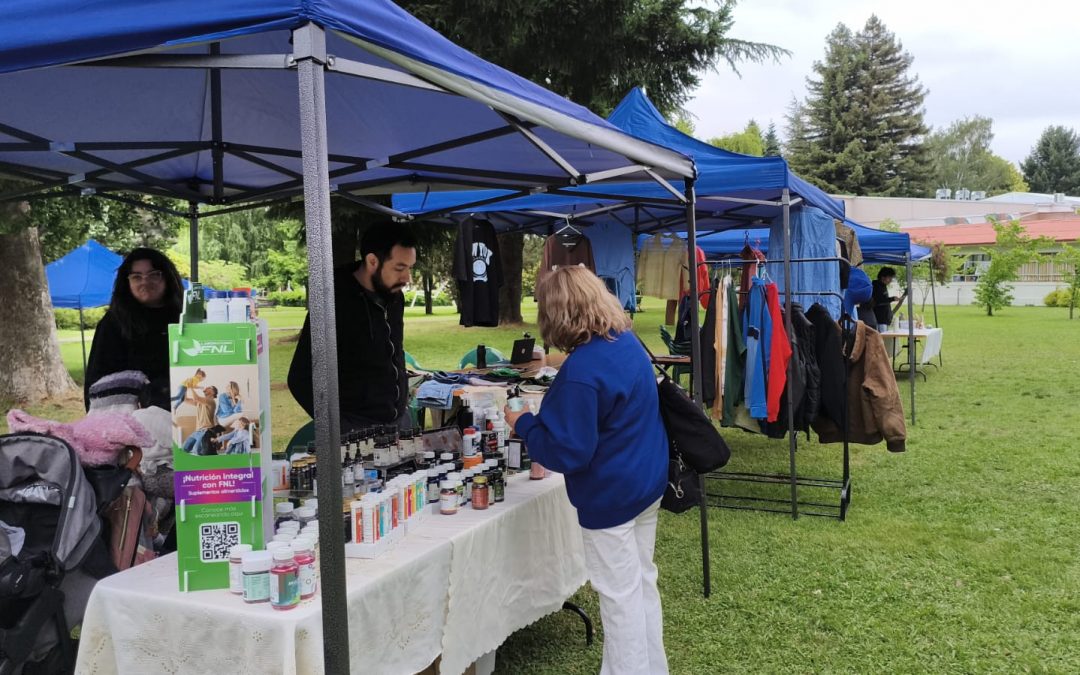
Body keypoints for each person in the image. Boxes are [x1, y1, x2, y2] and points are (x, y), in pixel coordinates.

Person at [503, 266, 669, 675]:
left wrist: (521, 422)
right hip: (646, 483)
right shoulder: (624, 341)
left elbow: (566, 452)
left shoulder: (582, 373)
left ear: (556, 314)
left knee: (619, 599)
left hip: (611, 496)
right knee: (640, 586)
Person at [288, 222, 417, 432]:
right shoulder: (334, 301)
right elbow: (300, 378)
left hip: (398, 423)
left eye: (410, 268)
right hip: (355, 429)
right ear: (372, 261)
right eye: (399, 268)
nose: (406, 278)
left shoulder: (394, 298)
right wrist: (338, 426)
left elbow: (394, 352)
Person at [85, 248, 184, 411]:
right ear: (127, 282)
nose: (145, 282)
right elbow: (97, 381)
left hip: (184, 410)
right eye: (137, 277)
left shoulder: (188, 317)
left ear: (167, 277)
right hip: (130, 418)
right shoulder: (113, 323)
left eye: (154, 274)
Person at [181, 386, 218, 455]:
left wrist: (191, 386)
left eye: (209, 387)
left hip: (206, 431)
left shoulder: (211, 401)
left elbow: (196, 398)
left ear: (213, 392)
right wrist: (185, 389)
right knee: (184, 449)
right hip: (197, 431)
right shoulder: (199, 402)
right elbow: (185, 400)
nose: (206, 388)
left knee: (197, 451)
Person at [870, 267, 899, 331]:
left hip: (884, 320)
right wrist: (892, 299)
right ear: (883, 277)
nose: (891, 280)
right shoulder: (876, 286)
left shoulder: (883, 286)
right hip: (879, 319)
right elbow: (878, 301)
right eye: (889, 278)